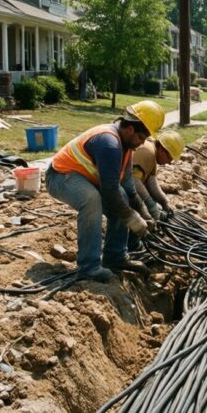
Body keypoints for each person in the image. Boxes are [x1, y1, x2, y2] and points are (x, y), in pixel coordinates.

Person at [46, 101, 165, 282]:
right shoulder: (109, 143)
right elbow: (109, 191)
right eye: (142, 137)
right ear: (130, 129)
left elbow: (128, 187)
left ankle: (115, 257)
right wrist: (133, 219)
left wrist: (144, 212)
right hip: (60, 177)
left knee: (122, 197)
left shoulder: (126, 146)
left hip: (83, 178)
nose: (142, 143)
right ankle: (88, 267)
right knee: (92, 200)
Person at [132, 130, 185, 220]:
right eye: (170, 158)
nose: (169, 162)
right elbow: (134, 181)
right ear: (162, 151)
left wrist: (164, 201)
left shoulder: (153, 154)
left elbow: (151, 180)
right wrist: (150, 203)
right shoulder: (148, 152)